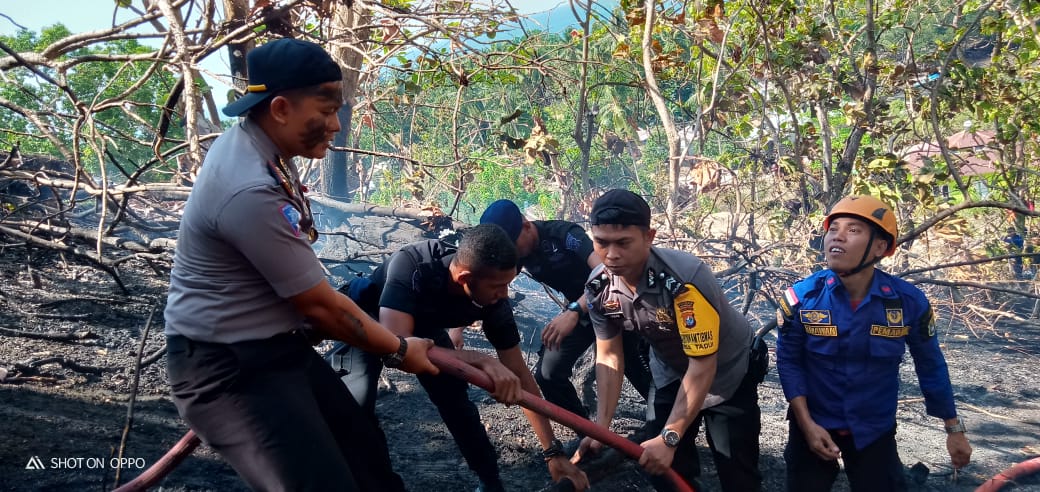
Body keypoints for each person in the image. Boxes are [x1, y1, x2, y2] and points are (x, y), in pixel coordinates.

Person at [163, 39, 441, 491]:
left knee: (367, 461)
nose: (335, 125)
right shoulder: (248, 188)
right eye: (326, 110)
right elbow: (321, 309)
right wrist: (399, 349)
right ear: (278, 108)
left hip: (276, 348)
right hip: (228, 369)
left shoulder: (260, 148)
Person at [330, 223, 590, 492]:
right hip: (369, 322)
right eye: (499, 287)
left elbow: (521, 377)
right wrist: (480, 359)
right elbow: (399, 349)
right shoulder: (412, 266)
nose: (504, 295)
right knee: (356, 403)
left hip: (425, 329)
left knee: (456, 403)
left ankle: (490, 482)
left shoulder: (493, 301)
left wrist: (552, 452)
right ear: (464, 279)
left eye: (508, 285)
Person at [775, 194, 972, 491]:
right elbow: (789, 361)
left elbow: (930, 364)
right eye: (833, 228)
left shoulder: (908, 303)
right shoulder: (802, 298)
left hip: (874, 431)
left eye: (853, 230)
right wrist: (806, 424)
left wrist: (953, 428)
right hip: (812, 426)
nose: (837, 237)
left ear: (880, 247)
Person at [573, 189, 763, 492]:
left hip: (727, 374)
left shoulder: (684, 280)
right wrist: (601, 428)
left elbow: (703, 366)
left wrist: (670, 436)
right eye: (601, 242)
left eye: (623, 243)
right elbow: (609, 356)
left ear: (649, 236)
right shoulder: (598, 287)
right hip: (670, 370)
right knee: (663, 468)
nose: (611, 254)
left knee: (737, 472)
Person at [479, 199, 652, 425]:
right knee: (547, 373)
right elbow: (484, 279)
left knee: (632, 361)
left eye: (512, 243)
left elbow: (607, 273)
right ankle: (588, 434)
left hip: (614, 302)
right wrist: (458, 328)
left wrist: (573, 311)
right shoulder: (516, 252)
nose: (510, 251)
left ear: (526, 225)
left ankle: (664, 427)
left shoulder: (564, 235)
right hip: (582, 313)